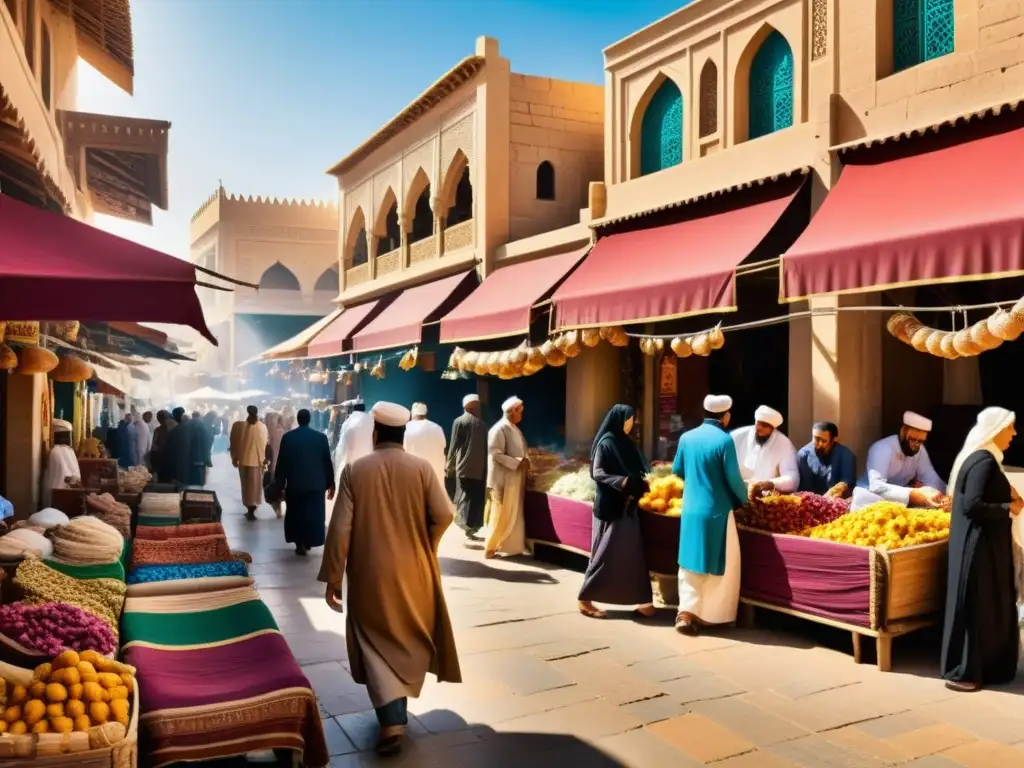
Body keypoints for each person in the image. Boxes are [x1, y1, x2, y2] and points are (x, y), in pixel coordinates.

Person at [319, 401, 460, 756]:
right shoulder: (422, 469)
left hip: (370, 574)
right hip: (415, 569)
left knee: (376, 642)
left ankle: (392, 722)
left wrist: (333, 577)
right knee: (404, 636)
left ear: (377, 433)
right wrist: (428, 542)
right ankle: (396, 714)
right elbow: (445, 513)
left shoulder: (355, 471)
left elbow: (339, 531)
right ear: (402, 435)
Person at [940, 407, 1021, 692]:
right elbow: (972, 505)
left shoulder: (985, 460)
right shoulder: (983, 461)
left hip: (984, 548)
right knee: (978, 610)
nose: (1013, 434)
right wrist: (1007, 508)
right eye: (1010, 428)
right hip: (979, 551)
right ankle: (966, 672)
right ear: (996, 429)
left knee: (988, 609)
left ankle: (988, 668)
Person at [671, 395, 749, 636]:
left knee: (689, 561)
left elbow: (677, 470)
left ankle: (686, 613)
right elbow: (734, 480)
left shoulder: (686, 437)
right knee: (722, 563)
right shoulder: (724, 441)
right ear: (725, 416)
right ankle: (712, 617)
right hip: (718, 511)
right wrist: (744, 500)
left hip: (690, 510)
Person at [578, 404, 656, 620]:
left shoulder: (625, 443)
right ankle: (585, 598)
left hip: (629, 506)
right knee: (605, 553)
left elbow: (638, 467)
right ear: (620, 419)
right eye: (630, 418)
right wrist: (623, 482)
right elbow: (598, 472)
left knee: (633, 554)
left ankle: (644, 601)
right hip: (612, 506)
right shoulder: (607, 443)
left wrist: (645, 478)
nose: (633, 423)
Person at [853, 411, 947, 511]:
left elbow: (931, 478)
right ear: (903, 432)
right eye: (912, 439)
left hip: (898, 503)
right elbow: (877, 486)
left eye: (920, 441)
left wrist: (947, 495)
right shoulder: (882, 448)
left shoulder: (920, 450)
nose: (916, 444)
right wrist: (916, 494)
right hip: (869, 501)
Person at [275, 409, 336, 555]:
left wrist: (279, 484)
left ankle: (299, 542)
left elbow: (282, 462)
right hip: (316, 485)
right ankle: (309, 540)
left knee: (296, 514)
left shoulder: (288, 438)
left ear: (298, 419)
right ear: (309, 420)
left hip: (295, 484)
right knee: (313, 515)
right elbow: (327, 462)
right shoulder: (321, 438)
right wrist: (330, 483)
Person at [485, 397, 529, 559]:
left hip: (514, 478)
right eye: (520, 412)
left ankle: (510, 546)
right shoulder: (499, 429)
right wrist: (517, 462)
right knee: (500, 514)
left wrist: (525, 461)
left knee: (513, 514)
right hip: (503, 480)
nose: (521, 416)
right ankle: (490, 548)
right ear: (511, 411)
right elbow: (495, 454)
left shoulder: (514, 429)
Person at [446, 394, 488, 540]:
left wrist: (448, 465)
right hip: (479, 470)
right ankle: (471, 527)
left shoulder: (459, 421)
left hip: (463, 468)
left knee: (464, 496)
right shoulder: (482, 425)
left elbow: (454, 446)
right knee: (474, 498)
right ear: (472, 406)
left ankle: (464, 525)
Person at [731, 405, 799, 494]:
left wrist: (770, 484)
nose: (759, 428)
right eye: (758, 423)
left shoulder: (784, 443)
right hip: (736, 493)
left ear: (772, 428)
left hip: (765, 496)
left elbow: (792, 477)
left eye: (764, 425)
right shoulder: (737, 436)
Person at [796, 421, 857, 496]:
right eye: (816, 439)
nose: (819, 444)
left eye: (824, 441)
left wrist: (832, 493)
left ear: (833, 440)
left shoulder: (846, 454)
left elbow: (848, 480)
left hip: (835, 500)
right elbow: (802, 486)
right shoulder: (803, 455)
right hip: (808, 500)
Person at [230, 405, 269, 520]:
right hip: (257, 461)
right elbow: (264, 444)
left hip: (243, 460)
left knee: (246, 486)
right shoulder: (262, 427)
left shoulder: (239, 426)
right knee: (255, 487)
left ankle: (249, 508)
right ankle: (253, 507)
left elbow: (234, 443)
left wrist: (234, 458)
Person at [403, 402, 447, 487]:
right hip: (436, 476)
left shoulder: (407, 428)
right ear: (425, 414)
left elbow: (403, 450)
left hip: (415, 476)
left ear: (412, 413)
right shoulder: (437, 428)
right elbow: (443, 447)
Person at [334, 400, 373, 488]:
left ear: (353, 409)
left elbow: (342, 446)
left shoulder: (348, 422)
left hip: (351, 465)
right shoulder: (371, 420)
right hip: (369, 464)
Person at [43, 420, 81, 508]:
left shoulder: (67, 450)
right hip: (59, 494)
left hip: (66, 492)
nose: (70, 439)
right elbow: (62, 476)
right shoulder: (57, 451)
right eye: (68, 436)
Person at [159, 408, 192, 485]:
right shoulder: (183, 429)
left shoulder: (177, 431)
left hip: (175, 472)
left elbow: (171, 453)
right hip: (179, 471)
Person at [265, 411, 287, 518]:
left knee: (273, 487)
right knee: (282, 487)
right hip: (284, 465)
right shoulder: (285, 432)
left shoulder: (270, 433)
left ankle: (277, 508)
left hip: (273, 465)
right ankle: (281, 507)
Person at [188, 411, 214, 486]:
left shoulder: (189, 424)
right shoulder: (203, 426)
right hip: (201, 453)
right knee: (201, 475)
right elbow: (206, 442)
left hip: (193, 454)